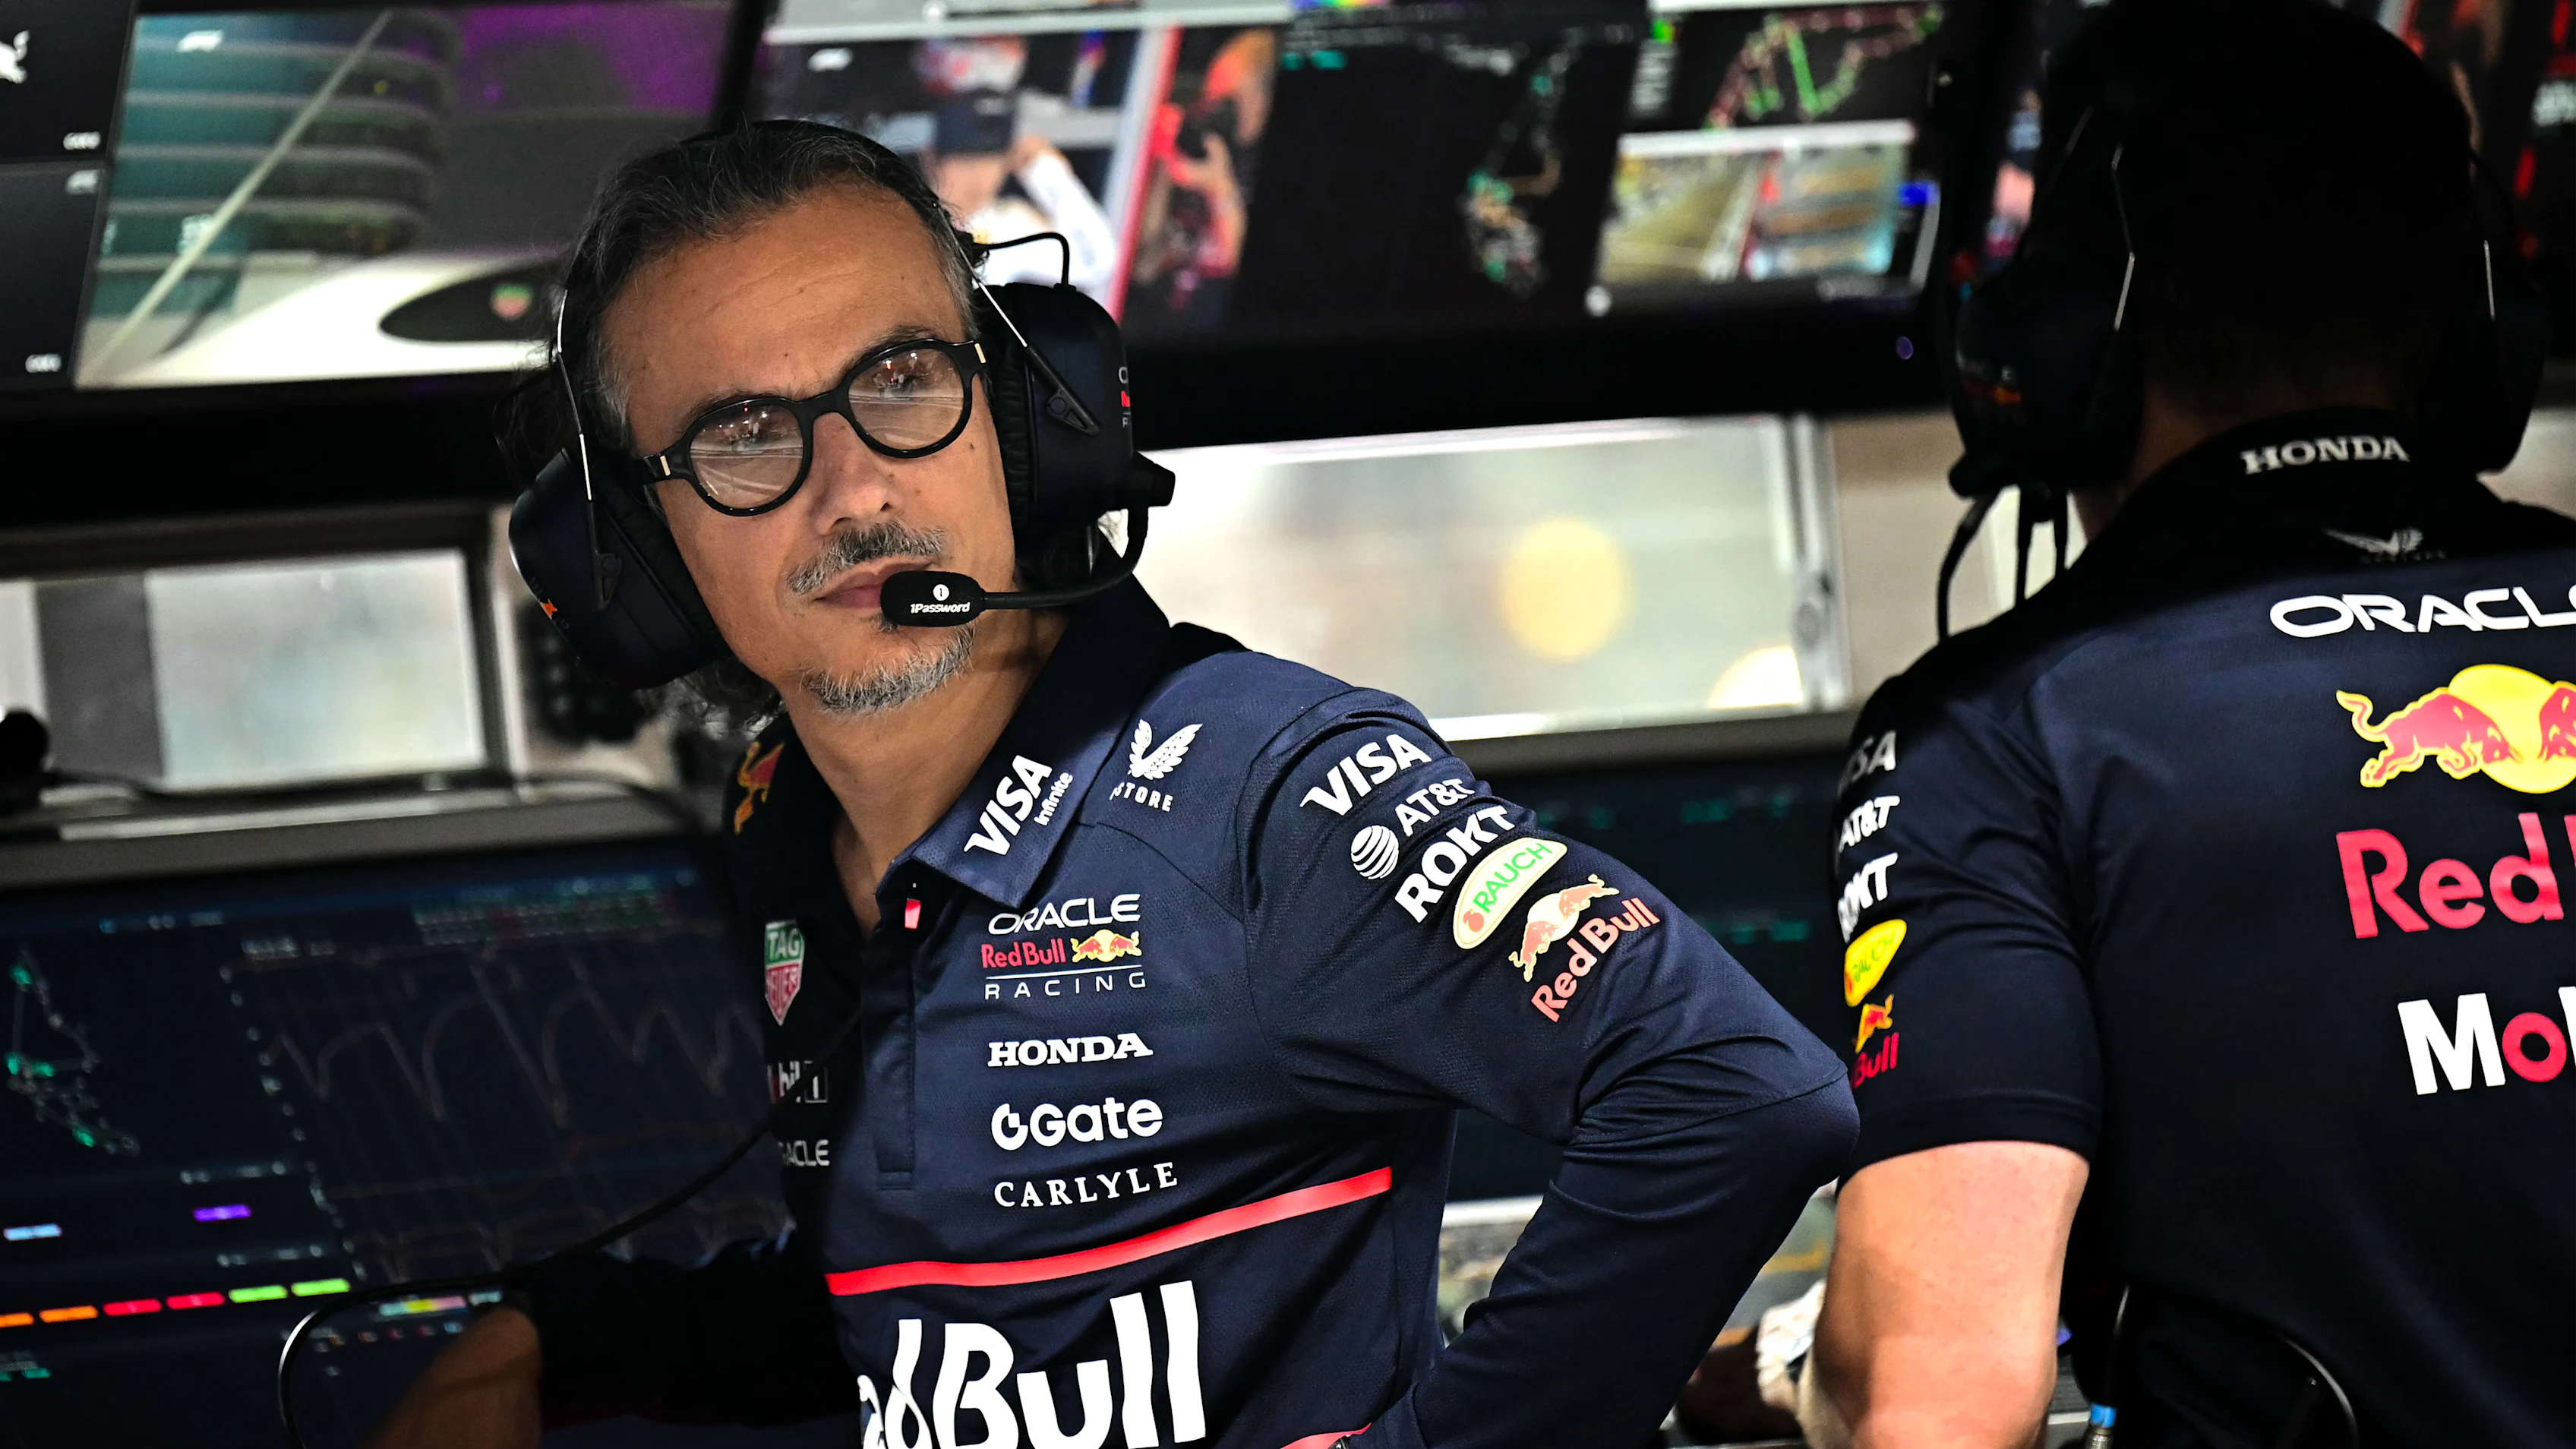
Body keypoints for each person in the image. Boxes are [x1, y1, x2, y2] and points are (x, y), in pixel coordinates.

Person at [363, 119, 1855, 1449]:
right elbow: (933, 1315)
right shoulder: (784, 821)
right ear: (628, 556)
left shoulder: (1265, 792)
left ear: (1022, 414)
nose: (855, 488)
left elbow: (1735, 1096)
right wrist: (557, 1338)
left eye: (902, 379)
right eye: (743, 434)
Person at [1804, 2, 2574, 1446]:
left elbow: (1936, 1398)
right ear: (2483, 327)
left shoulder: (1993, 735)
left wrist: (1815, 1373)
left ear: (2061, 350)